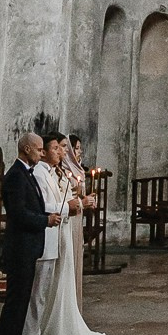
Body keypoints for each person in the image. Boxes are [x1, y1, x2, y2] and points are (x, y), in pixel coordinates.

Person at [0, 132, 61, 335]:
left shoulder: (25, 174)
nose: (42, 154)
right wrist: (46, 220)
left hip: (28, 249)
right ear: (27, 148)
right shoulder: (16, 177)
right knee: (14, 307)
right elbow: (19, 214)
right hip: (20, 249)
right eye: (39, 149)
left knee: (20, 307)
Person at [28, 132, 105, 335]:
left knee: (44, 291)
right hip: (49, 233)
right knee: (38, 293)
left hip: (58, 232)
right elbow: (46, 205)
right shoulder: (40, 174)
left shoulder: (53, 172)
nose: (63, 152)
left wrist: (76, 203)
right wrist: (74, 204)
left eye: (64, 148)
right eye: (57, 148)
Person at [62, 133, 97, 312]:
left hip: (77, 219)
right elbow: (64, 198)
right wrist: (81, 202)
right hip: (66, 219)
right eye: (76, 148)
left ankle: (74, 309)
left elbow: (78, 196)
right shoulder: (63, 170)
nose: (79, 151)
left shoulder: (78, 170)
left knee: (76, 260)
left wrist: (87, 199)